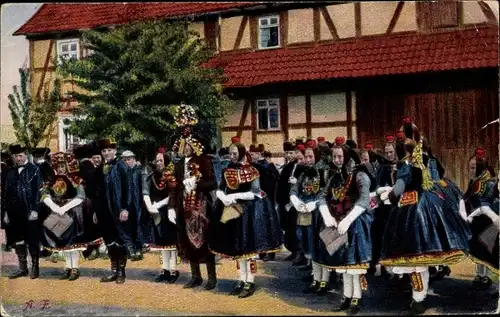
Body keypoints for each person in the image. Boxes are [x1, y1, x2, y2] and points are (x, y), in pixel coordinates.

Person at [378, 124, 470, 315]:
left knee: (414, 259)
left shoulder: (406, 164)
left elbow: (399, 188)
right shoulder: (429, 160)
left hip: (411, 210)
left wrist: (388, 196)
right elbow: (436, 182)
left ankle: (418, 299)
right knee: (423, 256)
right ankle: (419, 296)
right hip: (429, 206)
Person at [209, 141, 282, 298]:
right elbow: (220, 188)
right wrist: (223, 197)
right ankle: (241, 279)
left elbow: (255, 192)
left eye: (235, 154)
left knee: (250, 250)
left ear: (242, 153)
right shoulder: (227, 170)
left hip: (249, 212)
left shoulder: (252, 170)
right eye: (231, 153)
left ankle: (250, 280)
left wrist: (234, 196)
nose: (233, 156)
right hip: (232, 211)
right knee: (237, 249)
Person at [314, 144, 376, 314]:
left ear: (348, 156)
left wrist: (348, 220)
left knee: (354, 264)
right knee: (344, 264)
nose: (337, 160)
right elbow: (321, 197)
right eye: (334, 157)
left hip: (356, 223)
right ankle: (346, 296)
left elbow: (363, 201)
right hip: (339, 223)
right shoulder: (335, 176)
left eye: (340, 157)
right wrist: (327, 215)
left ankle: (357, 298)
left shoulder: (360, 175)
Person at [171, 103, 218, 290]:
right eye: (184, 144)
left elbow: (212, 183)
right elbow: (173, 187)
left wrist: (197, 184)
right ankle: (195, 276)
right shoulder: (178, 164)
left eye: (189, 144)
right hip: (183, 205)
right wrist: (171, 207)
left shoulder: (204, 160)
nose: (186, 147)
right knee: (186, 240)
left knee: (204, 240)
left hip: (201, 207)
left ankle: (211, 277)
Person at [39, 151, 93, 281]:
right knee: (62, 241)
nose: (60, 169)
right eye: (58, 166)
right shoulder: (51, 180)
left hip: (73, 212)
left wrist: (66, 207)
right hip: (57, 212)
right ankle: (67, 267)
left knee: (72, 242)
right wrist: (55, 207)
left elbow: (81, 196)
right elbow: (44, 195)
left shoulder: (75, 179)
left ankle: (75, 268)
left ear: (67, 165)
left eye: (62, 166)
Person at [3, 143, 44, 279]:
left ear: (26, 155)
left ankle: (35, 267)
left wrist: (35, 209)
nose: (18, 159)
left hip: (30, 211)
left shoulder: (35, 170)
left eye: (20, 155)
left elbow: (40, 192)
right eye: (15, 156)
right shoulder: (10, 172)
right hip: (14, 212)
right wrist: (6, 213)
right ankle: (23, 268)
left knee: (32, 240)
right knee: (18, 241)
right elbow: (5, 194)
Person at [95, 138, 130, 284]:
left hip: (118, 209)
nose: (107, 153)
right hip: (104, 210)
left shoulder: (121, 166)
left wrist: (125, 208)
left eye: (109, 150)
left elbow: (128, 188)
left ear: (115, 150)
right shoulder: (100, 168)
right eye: (104, 151)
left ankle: (121, 272)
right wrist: (96, 212)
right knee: (109, 241)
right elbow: (97, 192)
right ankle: (114, 271)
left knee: (120, 240)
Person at [142, 147, 179, 283]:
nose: (158, 163)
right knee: (161, 242)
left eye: (161, 160)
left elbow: (173, 194)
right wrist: (150, 206)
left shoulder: (171, 176)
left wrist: (159, 204)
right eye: (157, 160)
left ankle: (174, 269)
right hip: (156, 212)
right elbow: (146, 192)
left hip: (168, 210)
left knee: (171, 242)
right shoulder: (151, 176)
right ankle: (164, 269)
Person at [289, 141, 325, 277]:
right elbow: (294, 189)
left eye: (311, 157)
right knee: (303, 237)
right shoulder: (303, 173)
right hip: (303, 210)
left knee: (314, 239)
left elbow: (324, 192)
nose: (308, 160)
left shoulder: (323, 172)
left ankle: (320, 275)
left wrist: (314, 203)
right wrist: (296, 200)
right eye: (306, 157)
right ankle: (312, 269)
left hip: (317, 211)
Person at [464, 150, 499, 290]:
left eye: (473, 168)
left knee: (485, 249)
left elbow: (486, 205)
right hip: (477, 220)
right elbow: (467, 197)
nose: (471, 170)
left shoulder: (488, 183)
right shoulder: (475, 181)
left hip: (487, 222)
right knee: (477, 249)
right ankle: (479, 275)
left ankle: (484, 276)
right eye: (470, 167)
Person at [74, 144, 103, 261]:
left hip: (85, 199)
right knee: (92, 224)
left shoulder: (81, 166)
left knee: (87, 224)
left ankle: (90, 249)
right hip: (91, 199)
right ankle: (93, 248)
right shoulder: (90, 166)